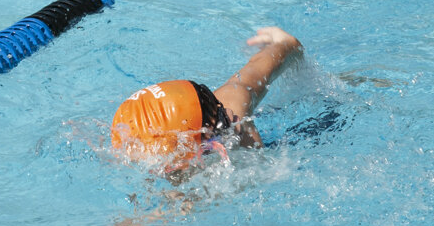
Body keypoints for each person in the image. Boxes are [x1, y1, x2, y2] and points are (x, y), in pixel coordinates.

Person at [110, 26, 303, 176]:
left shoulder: (233, 108)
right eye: (220, 122)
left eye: (219, 108)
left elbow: (265, 62)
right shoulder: (178, 199)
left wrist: (283, 42)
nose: (230, 116)